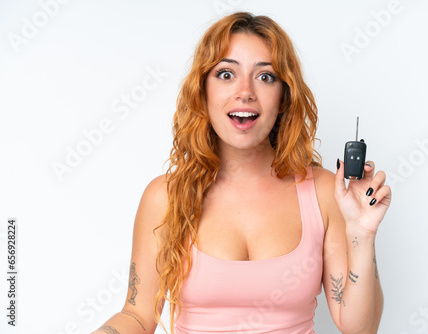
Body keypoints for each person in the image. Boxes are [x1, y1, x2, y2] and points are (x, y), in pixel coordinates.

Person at [92, 11, 391, 334]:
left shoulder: (323, 192)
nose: (245, 91)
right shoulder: (164, 197)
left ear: (284, 96)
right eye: (225, 74)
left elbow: (361, 329)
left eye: (265, 77)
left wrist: (361, 235)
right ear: (202, 91)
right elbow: (138, 316)